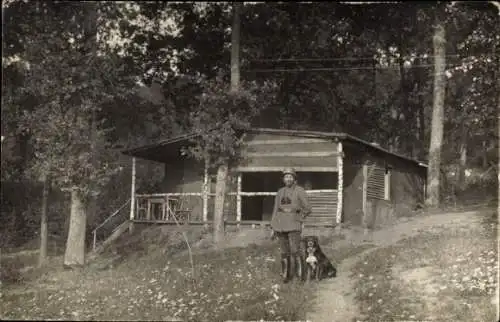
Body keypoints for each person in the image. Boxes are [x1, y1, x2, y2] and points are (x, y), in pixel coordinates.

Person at [270, 168, 312, 283]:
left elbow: (308, 208)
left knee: (295, 251)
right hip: (280, 226)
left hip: (294, 225)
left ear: (294, 179)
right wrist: (273, 226)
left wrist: (300, 218)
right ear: (283, 179)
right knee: (284, 252)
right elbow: (275, 210)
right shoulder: (280, 192)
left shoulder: (300, 191)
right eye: (286, 177)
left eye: (290, 177)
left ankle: (300, 277)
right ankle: (286, 276)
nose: (288, 179)